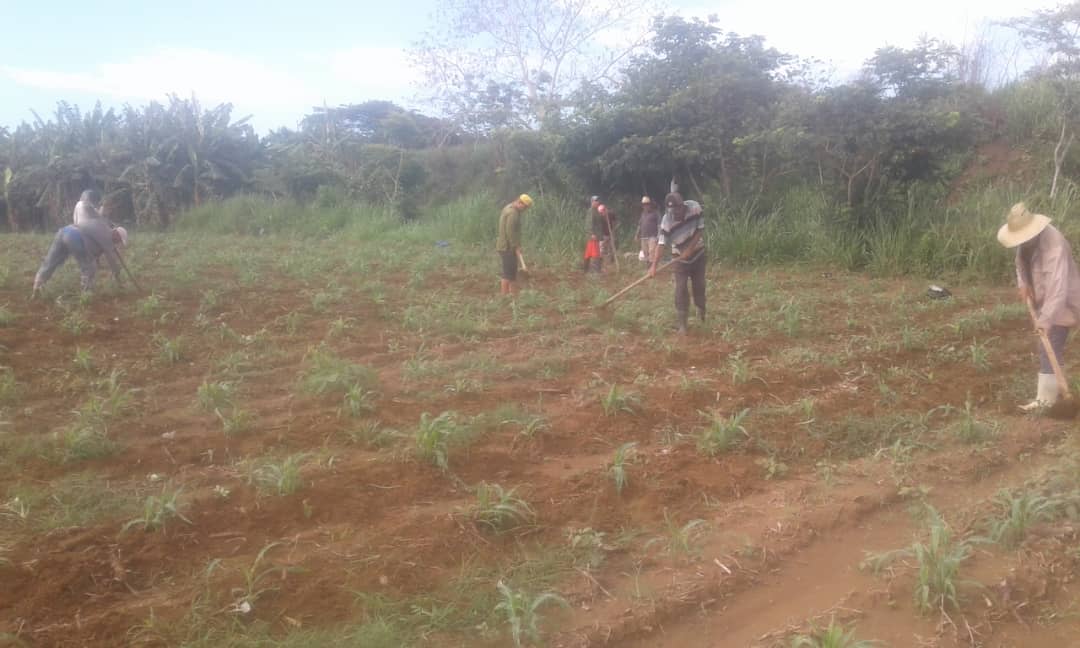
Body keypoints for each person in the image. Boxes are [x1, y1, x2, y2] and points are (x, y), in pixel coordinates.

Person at [997, 202, 1080, 410]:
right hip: (1045, 298)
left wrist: (1045, 320)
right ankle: (1051, 397)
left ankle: (1046, 401)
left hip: (1063, 301)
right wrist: (1023, 284)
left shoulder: (1055, 246)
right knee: (1048, 346)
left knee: (1048, 344)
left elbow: (1058, 289)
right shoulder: (1025, 243)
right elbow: (1020, 265)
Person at [32, 197, 127, 298]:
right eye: (119, 240)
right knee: (89, 267)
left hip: (64, 231)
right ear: (116, 234)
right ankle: (86, 294)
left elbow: (94, 251)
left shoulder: (101, 226)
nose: (117, 243)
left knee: (50, 262)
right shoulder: (107, 235)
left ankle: (37, 286)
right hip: (74, 236)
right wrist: (117, 275)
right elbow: (111, 259)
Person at [649, 192, 706, 335]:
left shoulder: (694, 207)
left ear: (683, 206)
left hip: (698, 254)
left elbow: (700, 230)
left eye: (678, 210)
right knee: (680, 288)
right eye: (672, 211)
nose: (675, 214)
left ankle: (701, 312)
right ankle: (682, 325)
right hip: (679, 258)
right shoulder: (666, 220)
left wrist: (690, 248)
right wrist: (654, 266)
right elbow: (661, 244)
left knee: (699, 285)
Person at [495, 193, 533, 295]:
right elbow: (510, 232)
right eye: (525, 207)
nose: (524, 210)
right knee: (508, 273)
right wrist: (516, 246)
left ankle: (512, 294)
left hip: (507, 246)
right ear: (520, 203)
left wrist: (516, 246)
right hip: (507, 247)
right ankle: (504, 297)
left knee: (512, 271)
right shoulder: (513, 213)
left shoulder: (509, 207)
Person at [584, 196, 612, 273]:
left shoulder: (596, 211)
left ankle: (587, 269)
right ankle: (595, 271)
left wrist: (604, 214)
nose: (597, 202)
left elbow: (601, 221)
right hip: (593, 237)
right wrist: (591, 233)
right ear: (592, 202)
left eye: (598, 201)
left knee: (590, 254)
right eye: (596, 201)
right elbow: (588, 224)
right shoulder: (591, 211)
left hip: (597, 237)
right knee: (595, 254)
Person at [637, 196, 660, 266]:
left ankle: (652, 266)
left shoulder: (655, 213)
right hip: (643, 236)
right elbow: (640, 225)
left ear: (650, 205)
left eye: (647, 204)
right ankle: (648, 266)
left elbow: (659, 225)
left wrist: (658, 236)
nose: (645, 206)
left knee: (652, 251)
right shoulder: (643, 214)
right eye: (644, 205)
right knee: (645, 252)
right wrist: (637, 234)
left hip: (652, 236)